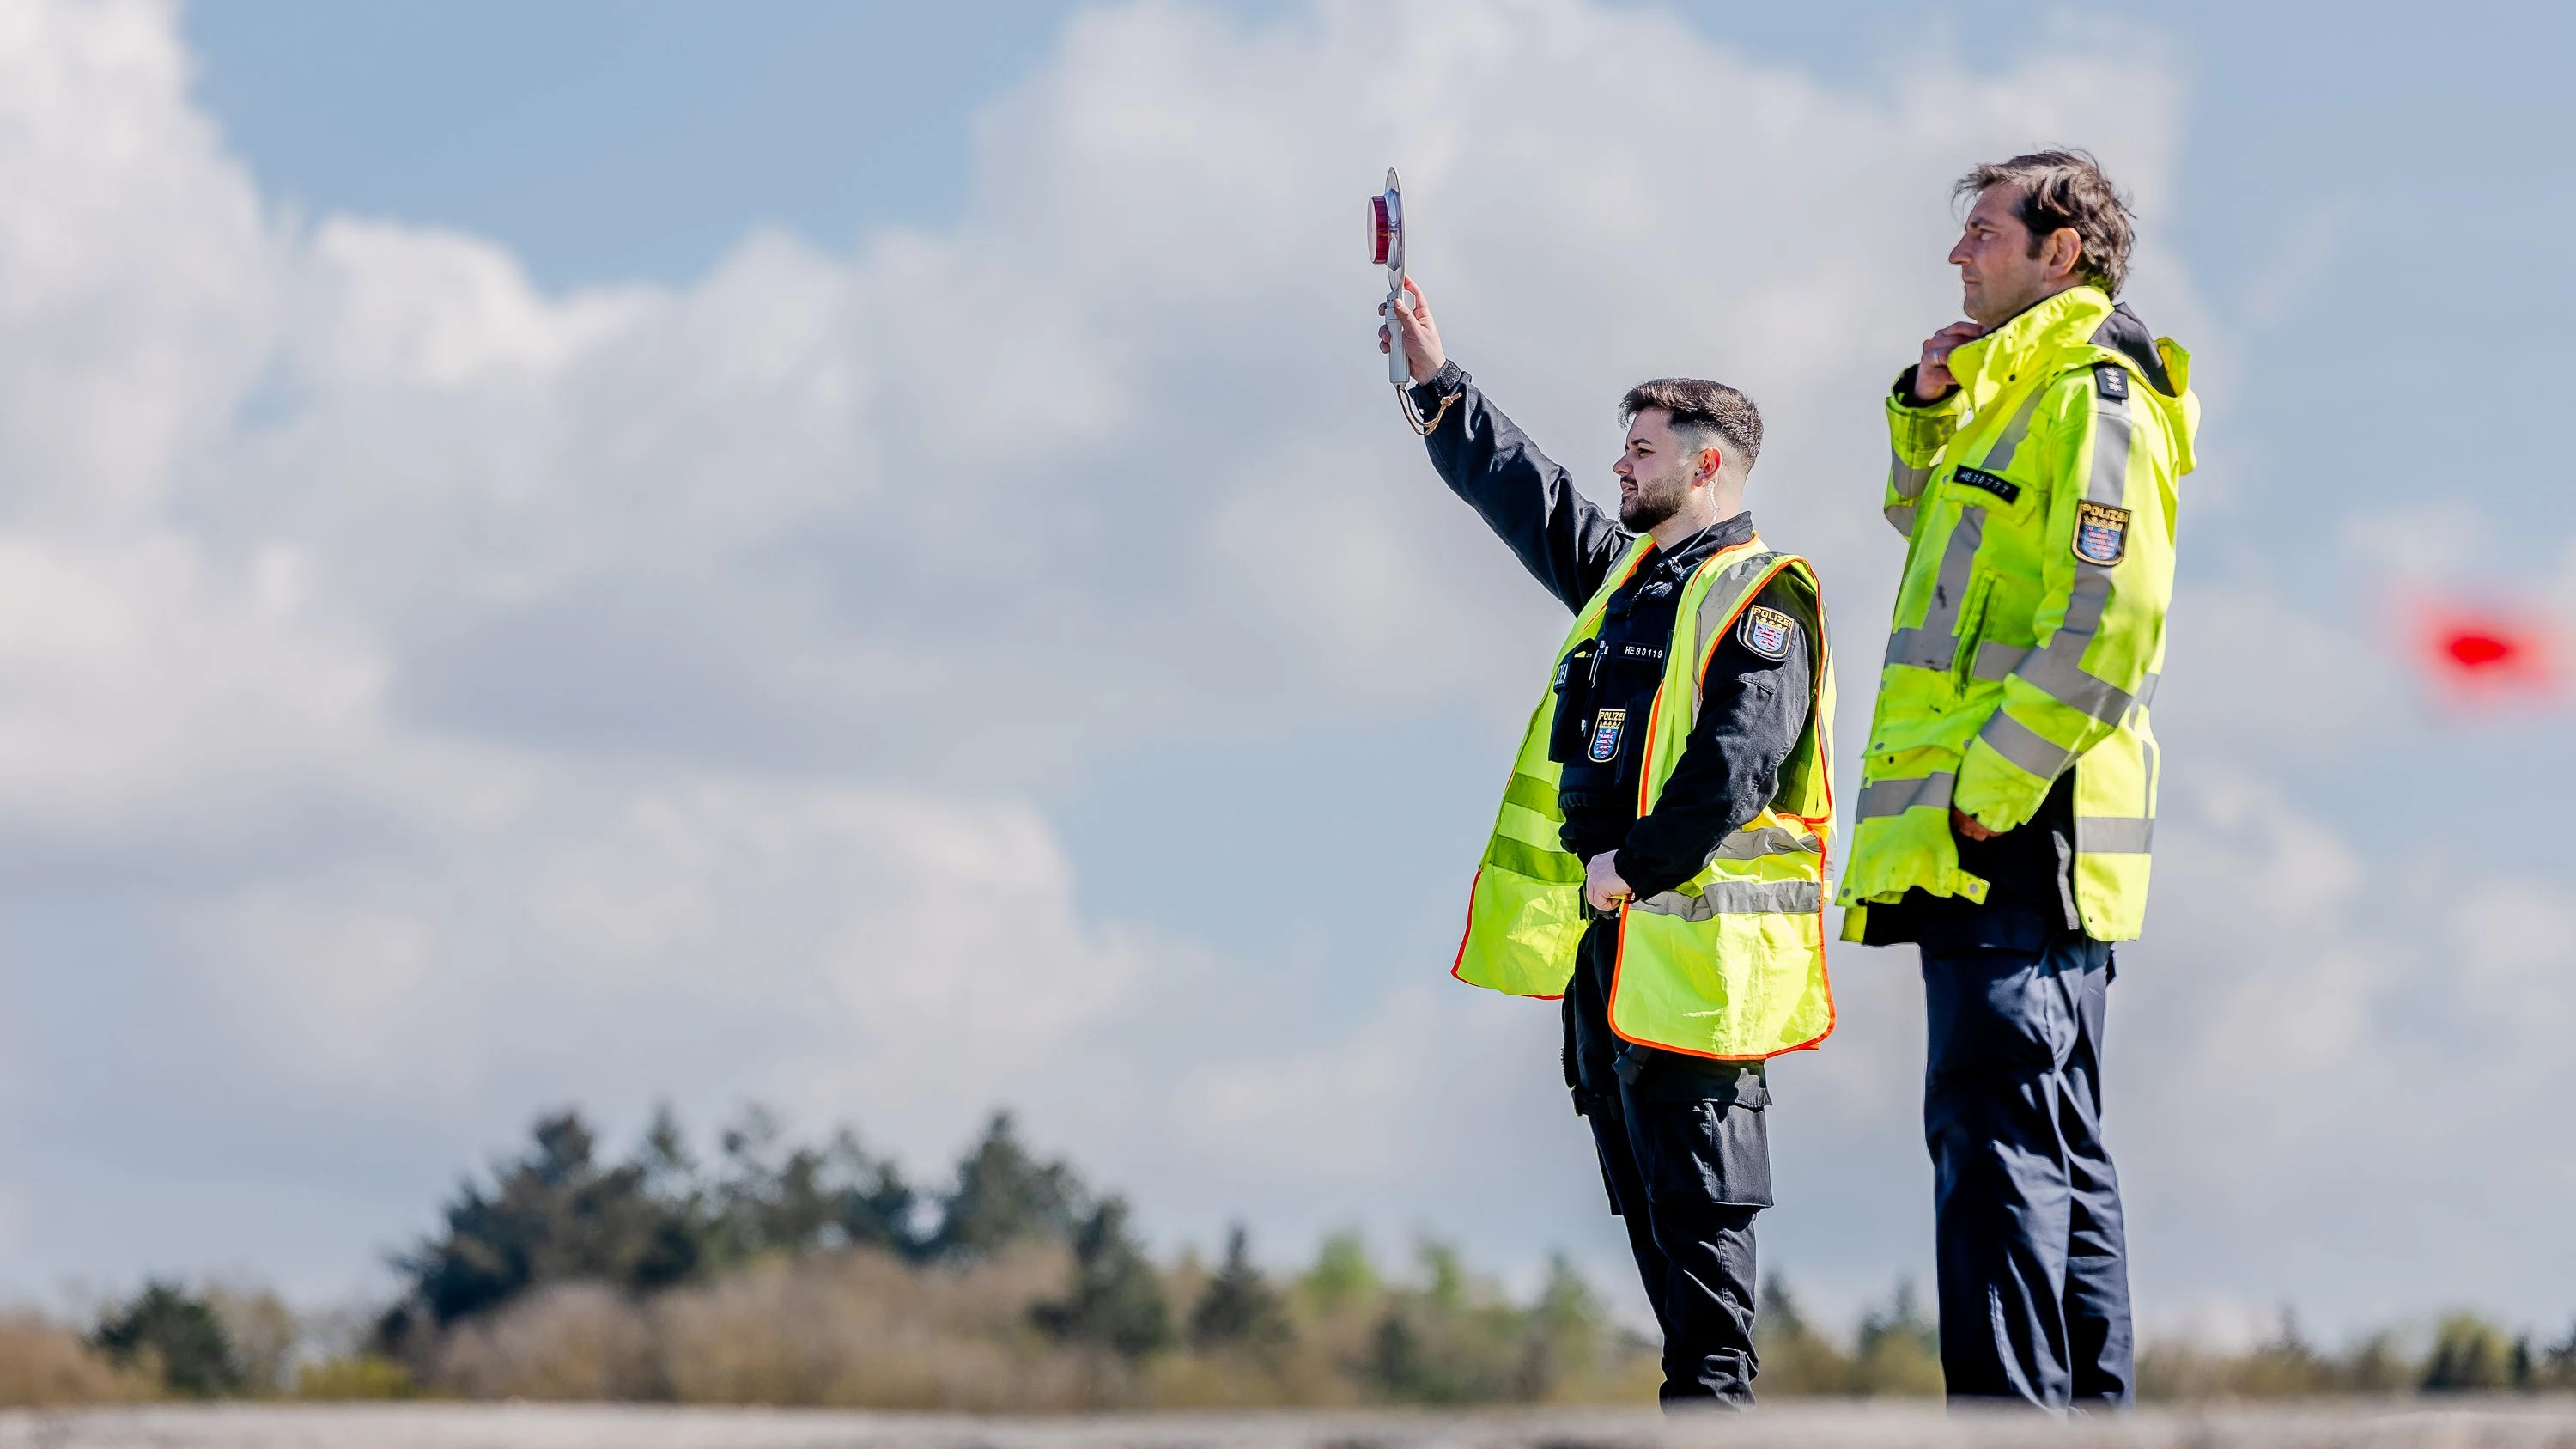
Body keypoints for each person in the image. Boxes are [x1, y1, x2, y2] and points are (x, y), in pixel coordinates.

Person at [1380, 278, 1837, 1408]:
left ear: (1707, 464)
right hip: (1611, 959)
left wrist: (1631, 870)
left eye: (1640, 450)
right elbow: (1528, 497)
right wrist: (1439, 382)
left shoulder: (1762, 596)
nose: (1620, 468)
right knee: (1647, 1223)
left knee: (1703, 1242)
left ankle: (1716, 1423)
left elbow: (1735, 765)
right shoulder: (1628, 584)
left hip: (1695, 969)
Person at [1838, 150, 2199, 1409]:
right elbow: (1935, 534)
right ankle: (2078, 1426)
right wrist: (1929, 409)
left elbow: (2110, 622)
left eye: (1984, 233)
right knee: (2049, 1143)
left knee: (1997, 1143)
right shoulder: (2013, 394)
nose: (1957, 254)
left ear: (2061, 253)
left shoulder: (2095, 393)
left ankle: (2011, 1430)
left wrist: (1991, 787)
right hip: (1996, 831)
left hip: (2015, 829)